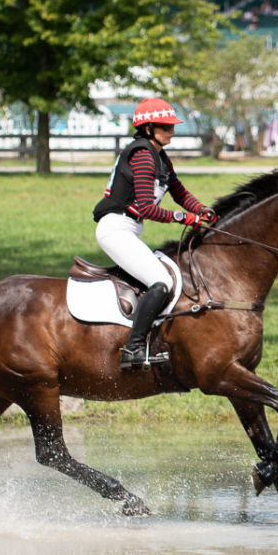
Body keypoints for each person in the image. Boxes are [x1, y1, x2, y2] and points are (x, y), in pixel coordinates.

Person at [93, 98, 218, 370]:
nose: (172, 130)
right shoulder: (142, 155)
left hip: (128, 229)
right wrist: (186, 218)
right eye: (165, 126)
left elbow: (179, 191)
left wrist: (201, 209)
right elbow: (146, 208)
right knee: (161, 281)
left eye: (172, 125)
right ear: (148, 128)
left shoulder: (159, 156)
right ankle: (133, 349)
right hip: (115, 229)